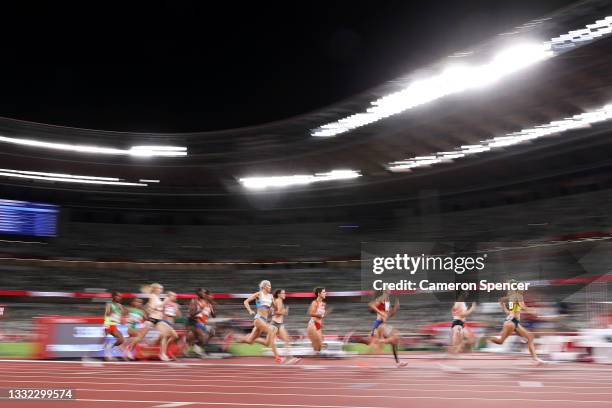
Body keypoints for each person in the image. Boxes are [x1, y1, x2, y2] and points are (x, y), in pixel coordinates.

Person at [489, 281, 544, 365]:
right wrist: (532, 310)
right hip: (511, 322)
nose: (523, 290)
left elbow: (510, 312)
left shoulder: (512, 297)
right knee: (529, 337)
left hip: (511, 322)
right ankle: (488, 338)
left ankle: (535, 359)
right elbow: (523, 307)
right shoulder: (518, 296)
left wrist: (503, 306)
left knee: (502, 341)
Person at [242, 280, 281, 362]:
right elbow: (246, 302)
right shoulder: (259, 294)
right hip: (258, 319)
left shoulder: (271, 297)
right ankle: (277, 356)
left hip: (264, 320)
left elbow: (274, 309)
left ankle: (237, 338)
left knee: (254, 341)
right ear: (264, 286)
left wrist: (272, 310)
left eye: (270, 286)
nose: (270, 287)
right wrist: (250, 310)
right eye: (269, 286)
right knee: (271, 331)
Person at [368, 290, 406, 366]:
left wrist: (395, 308)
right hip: (379, 324)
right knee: (395, 335)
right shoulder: (382, 298)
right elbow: (371, 305)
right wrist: (380, 312)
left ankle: (398, 362)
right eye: (387, 290)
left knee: (394, 343)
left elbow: (389, 315)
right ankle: (381, 341)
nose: (389, 291)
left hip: (382, 324)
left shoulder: (387, 302)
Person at [272, 289, 300, 364]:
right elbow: (276, 313)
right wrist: (284, 312)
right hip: (275, 323)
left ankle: (288, 358)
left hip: (279, 324)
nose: (285, 294)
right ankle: (288, 358)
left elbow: (277, 312)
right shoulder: (278, 300)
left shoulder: (279, 301)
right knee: (285, 340)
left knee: (286, 340)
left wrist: (284, 312)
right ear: (278, 294)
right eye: (283, 293)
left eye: (285, 293)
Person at [187, 288, 216, 357]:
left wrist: (213, 307)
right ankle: (195, 347)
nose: (212, 297)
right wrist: (201, 310)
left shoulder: (209, 304)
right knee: (201, 337)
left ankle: (197, 347)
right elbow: (191, 314)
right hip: (195, 322)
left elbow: (214, 316)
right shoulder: (196, 301)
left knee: (212, 332)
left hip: (203, 324)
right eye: (211, 295)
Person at [103, 291, 126, 361]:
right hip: (109, 324)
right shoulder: (109, 304)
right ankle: (107, 353)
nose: (119, 298)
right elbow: (107, 314)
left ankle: (108, 348)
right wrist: (106, 325)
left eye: (120, 296)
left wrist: (122, 315)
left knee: (121, 340)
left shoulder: (120, 305)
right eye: (117, 296)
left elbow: (124, 313)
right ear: (113, 296)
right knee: (117, 339)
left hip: (115, 325)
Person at [307, 287, 329, 353]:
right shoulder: (315, 302)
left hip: (318, 325)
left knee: (319, 348)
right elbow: (310, 313)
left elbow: (321, 317)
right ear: (319, 294)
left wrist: (322, 324)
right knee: (317, 346)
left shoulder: (323, 304)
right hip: (313, 324)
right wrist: (319, 315)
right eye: (324, 292)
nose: (325, 293)